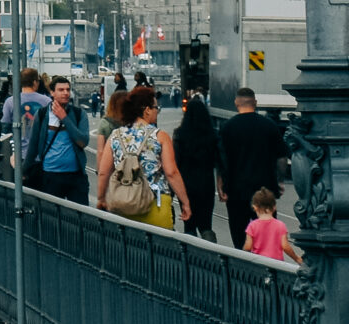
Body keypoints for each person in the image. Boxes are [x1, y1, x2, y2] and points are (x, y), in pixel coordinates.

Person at [98, 86, 189, 229]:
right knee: (162, 249)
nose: (157, 111)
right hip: (155, 203)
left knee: (128, 248)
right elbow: (171, 172)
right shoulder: (160, 136)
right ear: (146, 110)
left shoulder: (115, 136)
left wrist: (101, 198)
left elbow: (103, 172)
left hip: (123, 203)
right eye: (155, 108)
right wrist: (185, 202)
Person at [218, 87, 288, 252]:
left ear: (236, 103)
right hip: (265, 190)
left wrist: (221, 185)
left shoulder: (227, 128)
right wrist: (280, 181)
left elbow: (222, 161)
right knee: (267, 237)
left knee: (239, 236)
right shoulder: (269, 126)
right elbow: (281, 158)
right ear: (255, 103)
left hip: (236, 191)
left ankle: (243, 272)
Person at [26, 76, 93, 205]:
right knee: (52, 217)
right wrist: (24, 171)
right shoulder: (42, 115)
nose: (66, 93)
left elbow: (83, 142)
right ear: (52, 92)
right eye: (61, 90)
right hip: (50, 175)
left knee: (81, 216)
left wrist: (64, 118)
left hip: (75, 176)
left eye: (68, 89)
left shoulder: (79, 114)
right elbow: (33, 146)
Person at [172, 94, 221, 240]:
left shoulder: (180, 134)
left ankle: (191, 257)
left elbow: (176, 162)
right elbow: (218, 161)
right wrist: (220, 185)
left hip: (185, 184)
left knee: (189, 224)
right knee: (206, 224)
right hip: (206, 183)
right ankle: (211, 251)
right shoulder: (212, 135)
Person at [244, 188, 296, 265]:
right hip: (276, 264)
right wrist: (297, 259)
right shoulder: (280, 225)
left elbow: (248, 247)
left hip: (258, 263)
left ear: (255, 207)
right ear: (274, 207)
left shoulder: (252, 226)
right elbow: (285, 246)